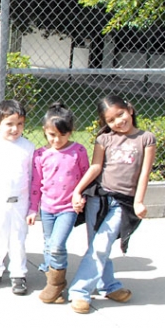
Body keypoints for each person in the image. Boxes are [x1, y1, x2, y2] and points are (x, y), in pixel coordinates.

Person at [68, 95, 155, 314]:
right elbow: (96, 167)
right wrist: (78, 190)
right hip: (98, 198)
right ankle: (108, 285)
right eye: (111, 120)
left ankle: (79, 292)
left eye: (120, 114)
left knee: (101, 244)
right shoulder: (105, 139)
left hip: (122, 202)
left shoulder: (146, 138)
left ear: (130, 109)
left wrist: (139, 202)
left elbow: (144, 173)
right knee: (98, 246)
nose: (118, 121)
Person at [29, 103, 89, 304]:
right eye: (51, 135)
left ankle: (57, 284)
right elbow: (36, 184)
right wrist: (32, 208)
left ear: (70, 132)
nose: (56, 140)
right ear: (45, 131)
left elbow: (86, 177)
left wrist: (81, 197)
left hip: (68, 208)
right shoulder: (40, 155)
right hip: (47, 208)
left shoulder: (77, 151)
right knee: (48, 244)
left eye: (61, 135)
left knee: (56, 245)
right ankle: (53, 284)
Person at [0, 100, 35, 295]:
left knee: (18, 238)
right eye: (9, 124)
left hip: (20, 202)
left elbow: (30, 175)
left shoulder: (28, 147)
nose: (15, 129)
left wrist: (31, 206)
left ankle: (18, 274)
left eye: (19, 124)